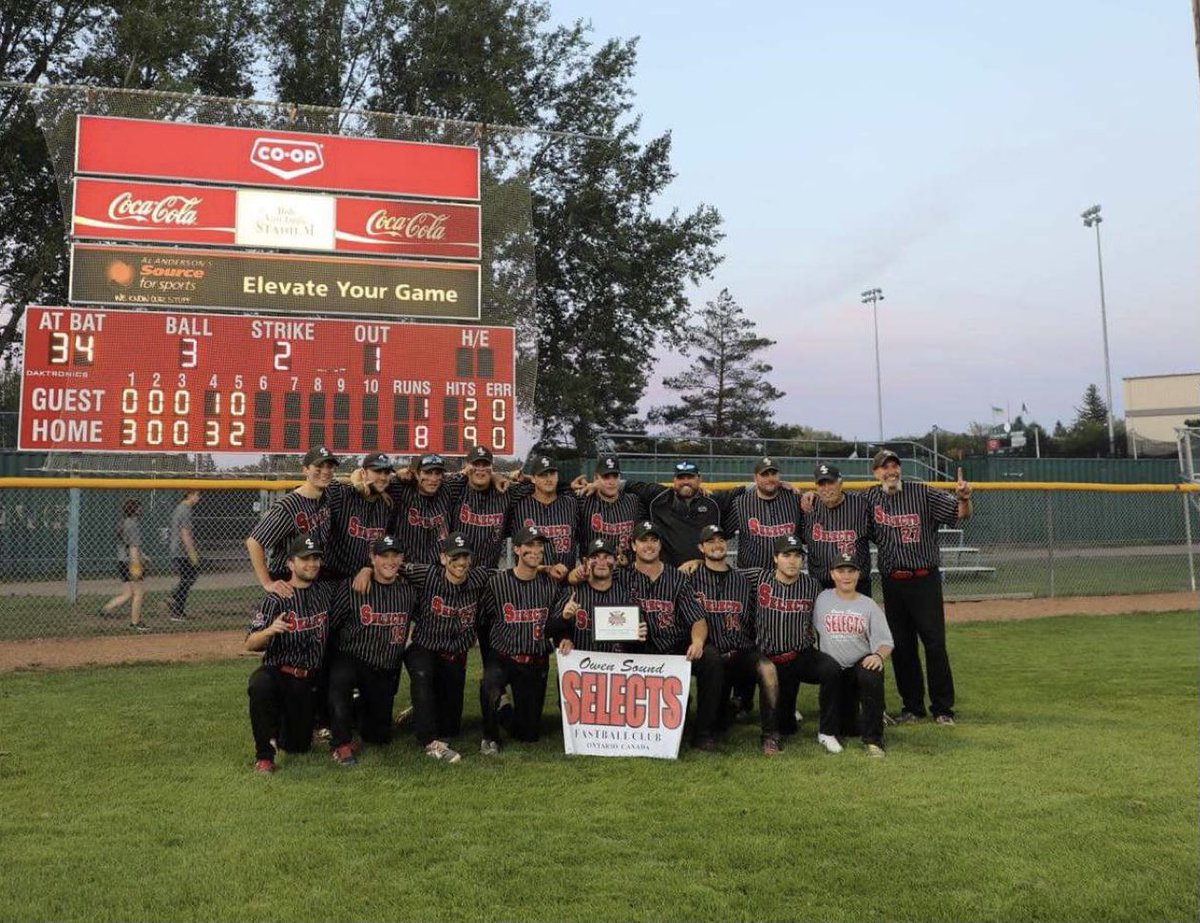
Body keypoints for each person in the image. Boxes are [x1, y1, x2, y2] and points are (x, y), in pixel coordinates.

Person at [863, 449, 973, 726]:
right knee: (901, 646)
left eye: (894, 466)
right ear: (875, 473)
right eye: (884, 468)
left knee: (934, 644)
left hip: (924, 579)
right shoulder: (869, 498)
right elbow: (839, 505)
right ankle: (912, 707)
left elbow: (960, 515)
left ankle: (943, 708)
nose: (891, 471)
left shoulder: (922, 492)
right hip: (893, 581)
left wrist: (964, 497)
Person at [623, 520, 723, 749]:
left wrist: (697, 641)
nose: (649, 546)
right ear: (633, 545)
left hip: (672, 647)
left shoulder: (676, 577)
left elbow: (697, 619)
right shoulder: (622, 576)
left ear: (660, 545)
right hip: (635, 648)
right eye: (643, 541)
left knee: (711, 659)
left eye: (654, 540)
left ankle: (704, 732)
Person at [685, 523, 781, 755]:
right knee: (720, 722)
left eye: (720, 540)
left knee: (767, 669)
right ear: (701, 547)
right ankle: (708, 729)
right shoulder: (689, 578)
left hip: (740, 651)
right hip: (709, 653)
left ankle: (771, 735)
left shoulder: (745, 578)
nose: (717, 545)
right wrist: (693, 563)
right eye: (710, 541)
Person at [744, 534, 843, 753]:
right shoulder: (758, 578)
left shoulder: (811, 585)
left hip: (800, 656)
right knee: (786, 726)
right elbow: (725, 572)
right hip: (769, 658)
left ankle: (827, 731)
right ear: (775, 558)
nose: (792, 561)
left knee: (831, 669)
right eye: (786, 555)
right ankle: (770, 735)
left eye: (797, 556)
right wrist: (696, 562)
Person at [244, 535, 333, 774]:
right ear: (290, 564)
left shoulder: (326, 593)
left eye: (315, 558)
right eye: (305, 559)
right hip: (278, 672)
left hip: (306, 680)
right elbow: (250, 643)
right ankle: (264, 756)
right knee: (259, 683)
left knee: (297, 747)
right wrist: (270, 631)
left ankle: (286, 728)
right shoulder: (277, 597)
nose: (312, 564)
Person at [401, 532, 493, 763]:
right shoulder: (427, 574)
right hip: (425, 646)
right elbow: (392, 566)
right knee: (422, 676)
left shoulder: (479, 577)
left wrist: (545, 569)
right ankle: (429, 742)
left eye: (465, 556)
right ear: (443, 558)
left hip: (455, 654)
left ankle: (422, 709)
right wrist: (367, 570)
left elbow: (514, 573)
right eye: (454, 556)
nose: (460, 562)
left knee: (451, 728)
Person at [325, 534, 416, 766]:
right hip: (353, 656)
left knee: (378, 737)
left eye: (395, 555)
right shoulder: (353, 587)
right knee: (341, 678)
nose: (390, 561)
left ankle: (355, 709)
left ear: (402, 558)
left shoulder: (408, 590)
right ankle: (341, 744)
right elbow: (331, 626)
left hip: (384, 667)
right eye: (383, 556)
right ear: (372, 559)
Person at [477, 525, 563, 753]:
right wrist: (488, 658)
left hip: (535, 661)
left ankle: (504, 707)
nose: (535, 550)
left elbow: (557, 620)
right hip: (503, 656)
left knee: (528, 735)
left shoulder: (550, 585)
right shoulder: (497, 583)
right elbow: (483, 619)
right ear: (516, 549)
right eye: (529, 545)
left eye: (539, 546)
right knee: (489, 682)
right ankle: (490, 737)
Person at [814, 553, 893, 757]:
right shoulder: (822, 599)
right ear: (832, 574)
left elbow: (886, 642)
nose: (846, 576)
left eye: (851, 571)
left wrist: (878, 656)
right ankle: (833, 727)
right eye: (841, 571)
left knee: (872, 671)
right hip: (833, 672)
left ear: (858, 575)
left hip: (858, 668)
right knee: (848, 729)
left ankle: (874, 740)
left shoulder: (868, 605)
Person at [246, 445, 340, 597]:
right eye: (318, 467)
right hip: (287, 579)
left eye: (329, 467)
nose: (325, 471)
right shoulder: (288, 507)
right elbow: (254, 542)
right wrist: (267, 583)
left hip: (312, 575)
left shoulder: (328, 493)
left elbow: (353, 479)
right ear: (305, 470)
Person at [549, 537, 646, 653]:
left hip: (614, 665)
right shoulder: (573, 593)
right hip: (580, 665)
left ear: (615, 562)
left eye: (607, 557)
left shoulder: (624, 594)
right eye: (595, 557)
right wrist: (564, 628)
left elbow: (635, 645)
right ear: (586, 561)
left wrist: (639, 637)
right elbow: (550, 630)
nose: (601, 562)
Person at [624, 461, 726, 567]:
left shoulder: (713, 502)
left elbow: (739, 491)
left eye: (690, 477)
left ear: (700, 479)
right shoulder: (658, 496)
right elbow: (623, 484)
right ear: (674, 480)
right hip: (666, 574)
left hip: (702, 572)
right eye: (681, 478)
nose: (685, 482)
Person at [800, 463, 873, 595]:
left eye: (831, 483)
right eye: (822, 484)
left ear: (840, 483)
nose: (826, 488)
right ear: (816, 486)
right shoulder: (808, 506)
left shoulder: (861, 504)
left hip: (856, 585)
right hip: (821, 585)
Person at [327, 452, 396, 584]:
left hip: (368, 581)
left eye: (386, 473)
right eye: (377, 471)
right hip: (334, 579)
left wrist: (368, 568)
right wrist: (354, 480)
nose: (382, 477)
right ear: (363, 473)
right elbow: (321, 486)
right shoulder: (344, 494)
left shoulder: (387, 504)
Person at [722, 456, 801, 570]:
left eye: (773, 474)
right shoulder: (741, 502)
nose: (770, 478)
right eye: (764, 475)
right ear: (755, 477)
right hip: (751, 576)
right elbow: (725, 532)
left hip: (786, 576)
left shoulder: (794, 499)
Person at [509, 455, 578, 579]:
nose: (548, 479)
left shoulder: (572, 503)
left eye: (552, 474)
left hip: (565, 584)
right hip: (529, 584)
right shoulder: (518, 503)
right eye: (543, 475)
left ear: (558, 476)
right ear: (533, 479)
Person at [575, 454, 644, 563]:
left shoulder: (633, 501)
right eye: (606, 477)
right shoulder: (583, 501)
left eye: (615, 476)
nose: (611, 482)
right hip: (594, 573)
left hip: (627, 573)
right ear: (595, 478)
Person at [100, 498, 147, 631]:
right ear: (134, 510)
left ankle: (106, 609)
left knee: (127, 594)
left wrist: (143, 557)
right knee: (139, 592)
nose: (140, 510)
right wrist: (137, 567)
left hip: (121, 562)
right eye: (138, 508)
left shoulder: (124, 523)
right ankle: (135, 623)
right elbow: (133, 548)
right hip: (130, 563)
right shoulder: (133, 524)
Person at [167, 490, 201, 622]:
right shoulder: (185, 509)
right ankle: (176, 610)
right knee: (188, 578)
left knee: (188, 578)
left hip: (179, 550)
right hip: (182, 551)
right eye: (197, 495)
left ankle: (175, 599)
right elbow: (185, 534)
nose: (199, 498)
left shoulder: (180, 508)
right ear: (190, 495)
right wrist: (192, 553)